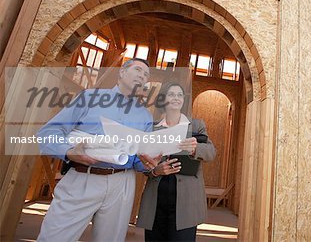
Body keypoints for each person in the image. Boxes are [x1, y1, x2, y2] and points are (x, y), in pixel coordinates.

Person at [37, 58, 160, 242]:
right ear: (121, 72)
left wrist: (148, 163)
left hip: (122, 182)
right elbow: (48, 133)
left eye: (146, 75)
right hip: (82, 177)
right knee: (54, 237)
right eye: (137, 70)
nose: (142, 76)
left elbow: (138, 161)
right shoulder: (89, 98)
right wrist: (70, 152)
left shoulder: (144, 116)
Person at [137, 82, 216, 242]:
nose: (176, 98)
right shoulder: (152, 128)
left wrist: (195, 149)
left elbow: (211, 152)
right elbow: (142, 161)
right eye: (171, 94)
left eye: (179, 95)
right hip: (156, 199)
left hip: (187, 202)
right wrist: (155, 170)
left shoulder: (196, 125)